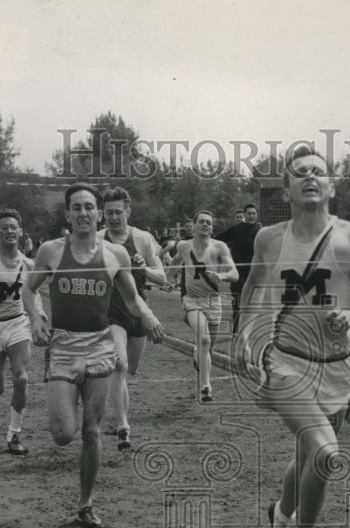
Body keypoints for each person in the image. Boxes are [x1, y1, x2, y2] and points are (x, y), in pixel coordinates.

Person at [236, 146, 350, 528]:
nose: (309, 178)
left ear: (331, 185)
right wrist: (243, 332)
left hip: (337, 370)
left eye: (317, 173)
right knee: (325, 453)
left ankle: (280, 520)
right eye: (299, 173)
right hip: (285, 363)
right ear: (286, 189)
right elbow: (252, 285)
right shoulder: (269, 238)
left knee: (307, 457)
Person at [26, 183, 164, 528]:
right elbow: (28, 290)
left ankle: (86, 503)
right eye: (77, 207)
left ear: (97, 212)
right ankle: (67, 423)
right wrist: (35, 316)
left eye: (90, 206)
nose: (84, 212)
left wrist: (146, 315)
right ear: (68, 214)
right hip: (63, 347)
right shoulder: (51, 251)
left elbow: (132, 300)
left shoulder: (114, 255)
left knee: (92, 430)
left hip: (101, 346)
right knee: (62, 434)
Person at [98, 186, 167, 450]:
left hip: (138, 311)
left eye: (118, 212)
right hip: (110, 312)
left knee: (132, 368)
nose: (113, 218)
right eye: (108, 213)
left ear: (128, 211)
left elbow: (162, 278)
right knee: (120, 365)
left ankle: (116, 403)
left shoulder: (142, 239)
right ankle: (123, 427)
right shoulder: (97, 239)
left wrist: (143, 269)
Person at [0, 208, 45, 455]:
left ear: (20, 232)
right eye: (4, 227)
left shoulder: (29, 263)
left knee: (22, 378)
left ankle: (14, 434)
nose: (9, 231)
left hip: (18, 323)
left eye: (13, 227)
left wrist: (39, 315)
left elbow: (34, 292)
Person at [169, 210, 238, 403]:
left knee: (208, 348)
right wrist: (168, 279)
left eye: (209, 222)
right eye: (202, 221)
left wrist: (223, 276)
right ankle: (206, 387)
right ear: (195, 225)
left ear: (212, 227)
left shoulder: (219, 247)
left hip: (213, 302)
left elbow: (235, 272)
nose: (205, 225)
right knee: (205, 339)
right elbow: (174, 263)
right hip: (192, 301)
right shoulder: (183, 246)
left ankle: (196, 353)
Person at [218, 203, 261, 333]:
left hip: (254, 273)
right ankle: (236, 331)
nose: (252, 216)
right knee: (238, 302)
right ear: (245, 215)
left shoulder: (261, 230)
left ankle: (251, 330)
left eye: (254, 213)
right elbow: (219, 240)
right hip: (238, 273)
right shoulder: (236, 229)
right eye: (249, 213)